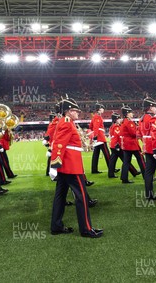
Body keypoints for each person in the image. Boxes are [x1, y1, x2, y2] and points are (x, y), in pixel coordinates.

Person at [49, 97, 103, 238]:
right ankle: (86, 229)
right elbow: (59, 144)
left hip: (65, 165)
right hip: (71, 166)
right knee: (82, 197)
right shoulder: (67, 123)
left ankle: (56, 226)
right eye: (75, 110)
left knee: (60, 196)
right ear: (68, 111)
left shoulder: (68, 122)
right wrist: (54, 164)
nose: (77, 113)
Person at [119, 105, 145, 184]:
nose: (132, 114)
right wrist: (137, 128)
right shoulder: (129, 122)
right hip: (132, 145)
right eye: (130, 113)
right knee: (141, 160)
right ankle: (146, 176)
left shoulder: (124, 121)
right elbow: (133, 133)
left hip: (126, 145)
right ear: (127, 114)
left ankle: (124, 178)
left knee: (126, 162)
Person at [88, 102, 110, 174]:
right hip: (100, 137)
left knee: (96, 154)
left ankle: (94, 169)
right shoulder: (98, 117)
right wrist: (96, 135)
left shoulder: (94, 116)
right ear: (99, 109)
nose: (103, 110)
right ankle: (111, 167)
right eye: (102, 108)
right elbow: (96, 127)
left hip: (97, 137)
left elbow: (91, 126)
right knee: (106, 153)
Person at [107, 112, 122, 178]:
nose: (120, 120)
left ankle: (111, 174)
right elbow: (117, 136)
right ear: (116, 119)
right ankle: (134, 171)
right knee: (125, 159)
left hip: (113, 145)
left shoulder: (112, 126)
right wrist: (117, 144)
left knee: (112, 160)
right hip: (116, 145)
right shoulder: (116, 126)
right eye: (119, 118)